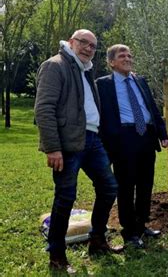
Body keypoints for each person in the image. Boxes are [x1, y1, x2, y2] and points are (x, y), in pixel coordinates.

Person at [35, 29, 121, 274]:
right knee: (65, 197)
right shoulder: (56, 65)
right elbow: (44, 108)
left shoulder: (85, 70)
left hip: (92, 140)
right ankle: (57, 255)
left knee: (109, 187)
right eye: (84, 43)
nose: (88, 49)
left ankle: (97, 240)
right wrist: (52, 147)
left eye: (93, 46)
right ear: (71, 42)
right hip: (68, 142)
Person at [96, 44, 168, 248]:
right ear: (111, 61)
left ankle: (141, 224)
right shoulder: (102, 84)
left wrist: (162, 133)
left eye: (129, 55)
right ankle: (129, 232)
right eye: (122, 56)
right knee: (126, 186)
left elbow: (152, 108)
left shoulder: (140, 81)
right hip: (123, 139)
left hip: (146, 136)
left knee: (146, 184)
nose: (128, 58)